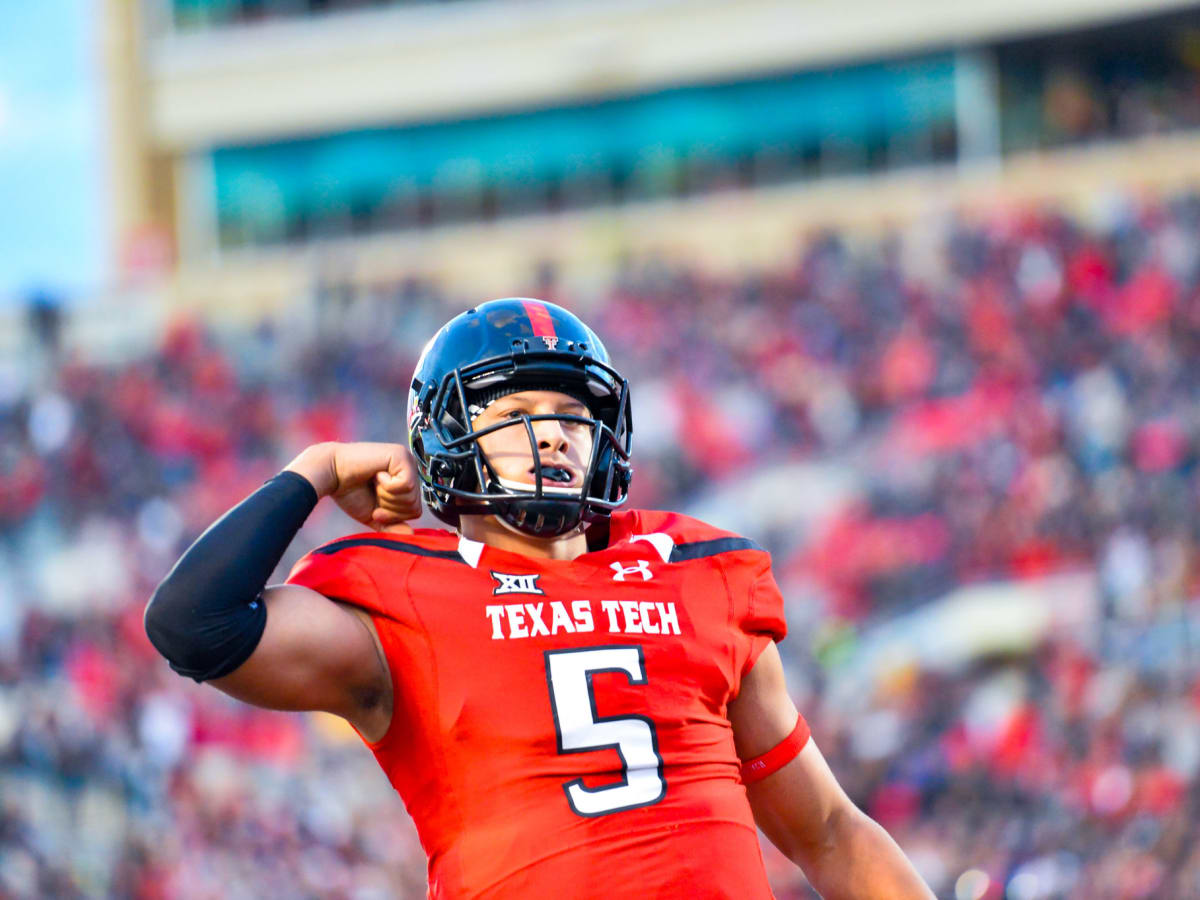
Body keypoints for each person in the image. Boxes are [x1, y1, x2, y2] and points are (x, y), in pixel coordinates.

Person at [145, 298, 932, 898]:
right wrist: (315, 468)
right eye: (518, 415)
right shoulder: (400, 593)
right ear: (446, 434)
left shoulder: (695, 570)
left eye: (572, 414)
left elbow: (827, 829)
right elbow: (193, 624)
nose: (554, 435)